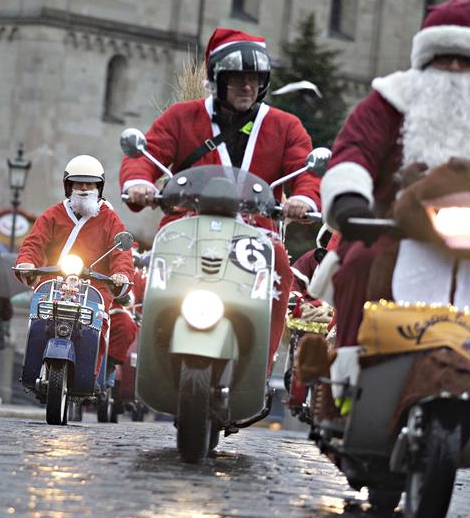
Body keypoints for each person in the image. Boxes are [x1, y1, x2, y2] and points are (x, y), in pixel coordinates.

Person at [316, 0, 470, 348]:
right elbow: (356, 147)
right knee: (360, 265)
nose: (451, 67)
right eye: (442, 56)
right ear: (425, 58)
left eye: (465, 60)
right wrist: (349, 197)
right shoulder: (391, 98)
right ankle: (346, 381)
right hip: (394, 229)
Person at [119, 27, 321, 370]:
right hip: (186, 222)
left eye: (254, 79)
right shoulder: (181, 117)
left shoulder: (285, 126)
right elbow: (146, 153)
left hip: (255, 231)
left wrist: (302, 199)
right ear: (216, 79)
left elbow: (306, 170)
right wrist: (139, 182)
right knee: (158, 263)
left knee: (279, 262)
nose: (247, 86)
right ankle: (152, 351)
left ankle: (259, 363)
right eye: (237, 78)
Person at [15, 155, 134, 373]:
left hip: (95, 286)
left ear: (100, 186)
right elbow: (33, 243)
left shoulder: (111, 219)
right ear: (69, 186)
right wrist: (26, 262)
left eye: (90, 183)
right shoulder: (52, 215)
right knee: (39, 319)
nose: (85, 188)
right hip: (54, 280)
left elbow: (121, 253)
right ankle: (33, 368)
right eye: (79, 183)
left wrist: (120, 274)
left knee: (99, 323)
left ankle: (91, 373)